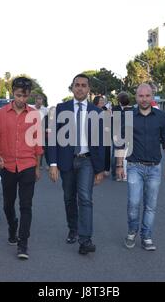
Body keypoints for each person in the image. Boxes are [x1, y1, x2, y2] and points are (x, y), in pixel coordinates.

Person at [47, 74, 105, 255]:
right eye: (77, 85)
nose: (80, 88)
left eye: (84, 85)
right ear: (72, 88)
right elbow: (52, 139)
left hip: (87, 160)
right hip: (66, 161)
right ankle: (73, 229)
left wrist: (100, 169)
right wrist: (53, 164)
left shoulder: (96, 112)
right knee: (69, 198)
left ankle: (85, 239)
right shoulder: (60, 109)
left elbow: (101, 142)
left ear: (88, 89)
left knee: (85, 198)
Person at [0, 76, 44, 260]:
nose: (22, 99)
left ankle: (23, 244)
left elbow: (37, 144)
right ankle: (13, 226)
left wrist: (37, 167)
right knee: (8, 205)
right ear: (13, 93)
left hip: (28, 165)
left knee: (26, 205)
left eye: (25, 96)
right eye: (19, 95)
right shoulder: (2, 113)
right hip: (8, 166)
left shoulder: (34, 115)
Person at [115, 84, 165, 251]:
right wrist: (119, 165)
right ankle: (132, 231)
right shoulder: (128, 116)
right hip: (134, 166)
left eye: (147, 96)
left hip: (155, 168)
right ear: (136, 97)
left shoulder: (162, 117)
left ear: (152, 96)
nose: (144, 99)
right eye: (141, 96)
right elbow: (120, 142)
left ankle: (146, 236)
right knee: (133, 203)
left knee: (150, 205)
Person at [112, 91, 133, 181]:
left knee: (120, 154)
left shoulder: (116, 109)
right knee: (119, 153)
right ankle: (117, 173)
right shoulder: (131, 109)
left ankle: (123, 174)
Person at [93, 96, 111, 177]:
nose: (102, 103)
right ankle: (97, 168)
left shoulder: (106, 110)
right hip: (95, 134)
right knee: (96, 151)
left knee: (107, 151)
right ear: (96, 103)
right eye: (100, 101)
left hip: (106, 133)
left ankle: (106, 169)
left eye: (103, 101)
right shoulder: (92, 111)